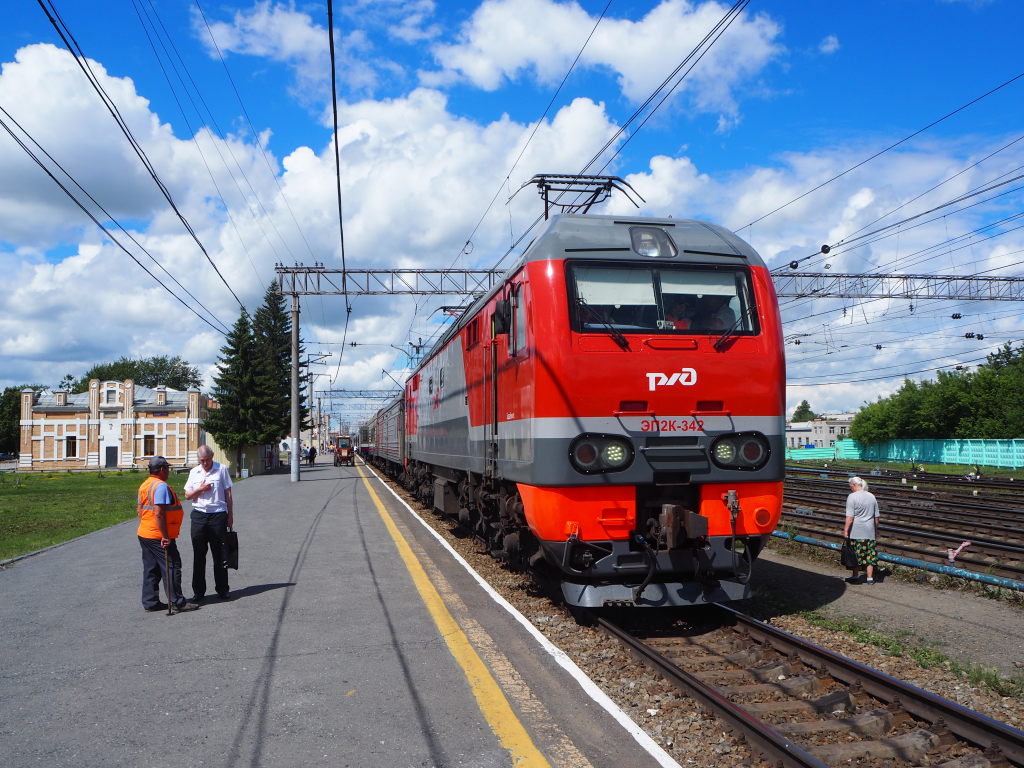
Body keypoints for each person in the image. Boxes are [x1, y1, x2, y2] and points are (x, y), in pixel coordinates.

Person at [137, 456, 199, 613]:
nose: (168, 471)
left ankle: (150, 602)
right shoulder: (161, 486)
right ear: (162, 469)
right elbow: (159, 513)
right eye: (167, 468)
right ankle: (178, 602)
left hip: (145, 533)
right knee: (172, 566)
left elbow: (139, 510)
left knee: (151, 568)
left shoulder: (145, 485)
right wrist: (165, 536)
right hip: (159, 535)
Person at [184, 445, 234, 602]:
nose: (205, 463)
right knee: (199, 555)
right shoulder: (194, 472)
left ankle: (222, 589)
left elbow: (228, 493)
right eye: (202, 460)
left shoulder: (221, 469)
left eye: (207, 460)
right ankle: (198, 592)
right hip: (199, 515)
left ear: (212, 457)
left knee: (219, 555)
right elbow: (187, 495)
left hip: (218, 515)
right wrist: (200, 489)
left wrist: (230, 515)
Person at [844, 476, 880, 584]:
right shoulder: (871, 496)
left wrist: (846, 530)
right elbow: (876, 517)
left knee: (855, 555)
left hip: (857, 532)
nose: (850, 488)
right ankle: (870, 578)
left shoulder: (852, 497)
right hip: (870, 532)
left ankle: (855, 576)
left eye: (850, 486)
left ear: (854, 485)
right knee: (870, 554)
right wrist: (875, 530)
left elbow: (850, 517)